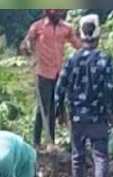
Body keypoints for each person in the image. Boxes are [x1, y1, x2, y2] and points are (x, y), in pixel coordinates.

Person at [56, 13, 113, 177]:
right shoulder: (103, 59)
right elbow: (109, 88)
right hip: (98, 116)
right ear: (98, 36)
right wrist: (111, 112)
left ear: (81, 36)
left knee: (77, 157)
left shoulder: (72, 59)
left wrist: (59, 112)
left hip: (77, 117)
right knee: (100, 156)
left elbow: (60, 87)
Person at [20, 10, 81, 151]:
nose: (57, 12)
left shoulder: (65, 28)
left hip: (58, 73)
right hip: (43, 72)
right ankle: (38, 141)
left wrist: (89, 52)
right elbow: (26, 42)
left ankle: (50, 142)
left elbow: (76, 44)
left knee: (54, 107)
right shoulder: (37, 27)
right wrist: (27, 47)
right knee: (43, 107)